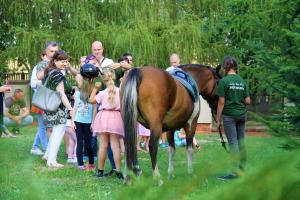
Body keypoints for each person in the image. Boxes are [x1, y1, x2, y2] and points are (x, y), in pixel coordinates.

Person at [216, 56, 251, 180]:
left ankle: (234, 173)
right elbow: (248, 101)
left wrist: (218, 119)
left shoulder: (224, 81)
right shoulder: (241, 80)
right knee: (241, 142)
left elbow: (221, 102)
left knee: (233, 143)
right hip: (242, 115)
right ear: (235, 67)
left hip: (229, 117)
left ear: (224, 67)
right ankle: (241, 170)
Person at [37, 50, 74, 168]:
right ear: (55, 61)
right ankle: (52, 161)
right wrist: (71, 108)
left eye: (66, 61)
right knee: (58, 132)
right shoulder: (57, 74)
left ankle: (48, 155)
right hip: (58, 107)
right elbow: (62, 94)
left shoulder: (50, 71)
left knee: (55, 132)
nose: (65, 63)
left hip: (51, 106)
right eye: (62, 61)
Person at [90, 67, 124, 179]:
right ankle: (118, 172)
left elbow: (91, 101)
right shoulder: (120, 91)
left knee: (103, 145)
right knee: (115, 146)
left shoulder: (103, 93)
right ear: (114, 77)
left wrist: (95, 89)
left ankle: (100, 172)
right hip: (116, 117)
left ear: (102, 78)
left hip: (103, 117)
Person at [30, 44, 59, 156]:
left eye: (56, 51)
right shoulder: (39, 66)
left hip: (52, 100)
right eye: (51, 51)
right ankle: (48, 150)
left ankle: (35, 147)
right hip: (41, 100)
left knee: (45, 126)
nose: (54, 53)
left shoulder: (58, 65)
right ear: (46, 53)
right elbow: (33, 83)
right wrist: (45, 86)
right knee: (45, 126)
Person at [72, 78, 96, 171]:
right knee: (80, 143)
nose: (78, 83)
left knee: (88, 144)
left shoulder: (92, 95)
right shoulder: (77, 94)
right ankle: (80, 165)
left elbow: (94, 109)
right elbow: (75, 107)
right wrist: (72, 121)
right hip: (78, 121)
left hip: (88, 123)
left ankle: (91, 163)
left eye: (79, 82)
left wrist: (93, 123)